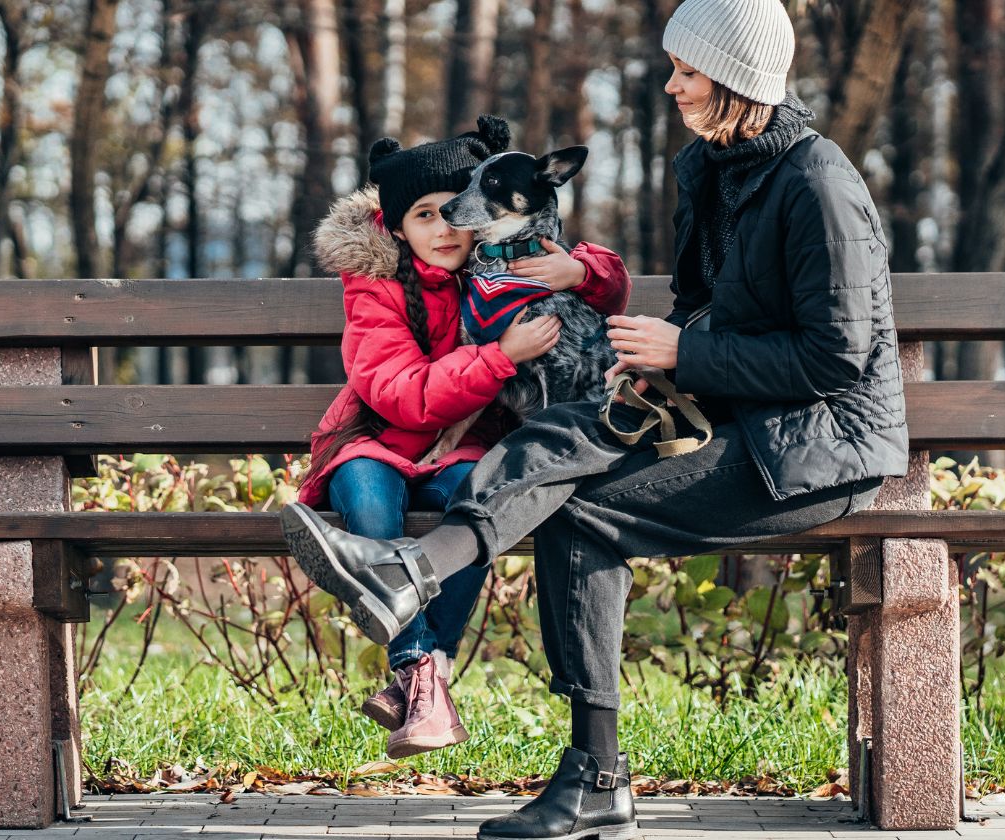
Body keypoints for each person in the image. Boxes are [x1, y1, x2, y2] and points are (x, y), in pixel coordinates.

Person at [284, 0, 910, 835]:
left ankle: (585, 764)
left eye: (687, 71)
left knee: (579, 509)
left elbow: (833, 359)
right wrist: (654, 362)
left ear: (732, 78)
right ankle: (425, 591)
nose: (672, 84)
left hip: (817, 451)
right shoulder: (710, 170)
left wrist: (683, 356)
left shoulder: (818, 183)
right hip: (735, 421)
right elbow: (707, 310)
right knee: (556, 446)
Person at [297, 115, 632, 760]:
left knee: (477, 500)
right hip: (378, 438)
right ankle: (424, 670)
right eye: (424, 216)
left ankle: (414, 686)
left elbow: (607, 281)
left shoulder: (499, 265)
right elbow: (403, 396)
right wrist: (501, 357)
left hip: (466, 443)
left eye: (454, 211)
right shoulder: (375, 285)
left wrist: (579, 273)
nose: (445, 227)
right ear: (394, 227)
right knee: (367, 496)